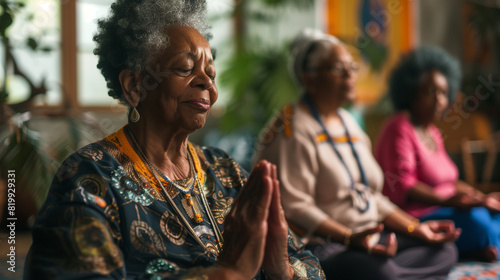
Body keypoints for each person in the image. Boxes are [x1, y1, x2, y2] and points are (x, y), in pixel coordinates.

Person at [23, 1, 325, 279]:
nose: (207, 83)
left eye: (211, 73)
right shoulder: (88, 178)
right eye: (184, 68)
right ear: (134, 85)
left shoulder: (224, 170)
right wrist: (227, 272)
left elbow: (310, 265)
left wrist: (281, 269)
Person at [254, 29, 461, 280]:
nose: (350, 74)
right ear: (309, 78)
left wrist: (416, 229)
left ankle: (395, 274)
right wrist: (350, 238)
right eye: (338, 68)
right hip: (324, 245)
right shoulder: (292, 126)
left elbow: (372, 196)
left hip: (369, 235)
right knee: (378, 271)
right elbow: (295, 206)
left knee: (444, 249)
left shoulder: (348, 123)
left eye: (352, 66)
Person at [375, 46, 500, 262]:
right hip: (416, 215)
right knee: (479, 224)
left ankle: (476, 246)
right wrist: (452, 202)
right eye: (430, 91)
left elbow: (451, 181)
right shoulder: (399, 126)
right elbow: (405, 185)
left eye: (443, 92)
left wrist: (481, 198)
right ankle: (476, 246)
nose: (438, 100)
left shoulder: (432, 132)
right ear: (411, 92)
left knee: (493, 214)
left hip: (451, 208)